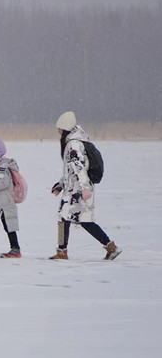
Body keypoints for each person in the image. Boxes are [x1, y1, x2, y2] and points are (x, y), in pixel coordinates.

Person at [49, 111, 122, 260]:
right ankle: (110, 247)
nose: (58, 131)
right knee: (84, 220)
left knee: (64, 218)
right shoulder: (80, 141)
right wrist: (61, 184)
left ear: (65, 129)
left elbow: (78, 167)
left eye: (60, 128)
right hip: (78, 187)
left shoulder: (73, 145)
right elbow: (72, 170)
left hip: (76, 190)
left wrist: (84, 188)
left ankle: (62, 253)